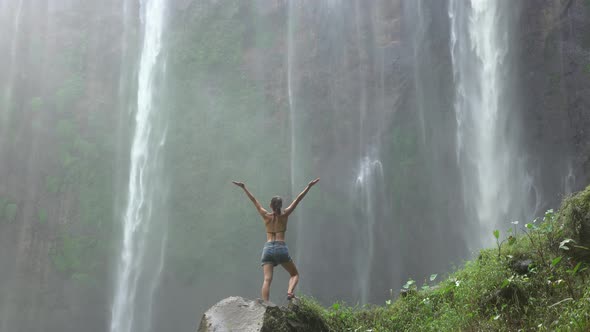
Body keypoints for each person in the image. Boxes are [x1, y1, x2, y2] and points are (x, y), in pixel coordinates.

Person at [232, 178, 320, 302]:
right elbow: (298, 200)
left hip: (267, 248)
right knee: (294, 274)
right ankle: (289, 292)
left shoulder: (265, 215)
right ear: (281, 206)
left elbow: (254, 200)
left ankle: (265, 305)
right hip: (280, 247)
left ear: (270, 205)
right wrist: (309, 186)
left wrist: (244, 187)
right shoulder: (285, 215)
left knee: (267, 280)